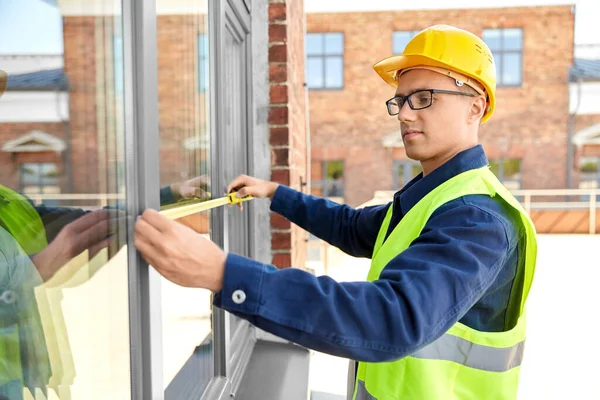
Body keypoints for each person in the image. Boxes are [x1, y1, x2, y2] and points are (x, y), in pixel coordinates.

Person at [134, 25, 538, 400]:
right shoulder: (434, 197)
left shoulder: (476, 216)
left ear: (476, 106)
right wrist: (276, 193)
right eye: (399, 101)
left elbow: (389, 318)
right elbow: (352, 227)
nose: (405, 113)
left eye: (423, 98)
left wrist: (223, 274)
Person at [0, 67, 210, 398]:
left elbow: (93, 221)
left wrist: (173, 194)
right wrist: (37, 269)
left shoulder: (7, 202)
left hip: (31, 379)